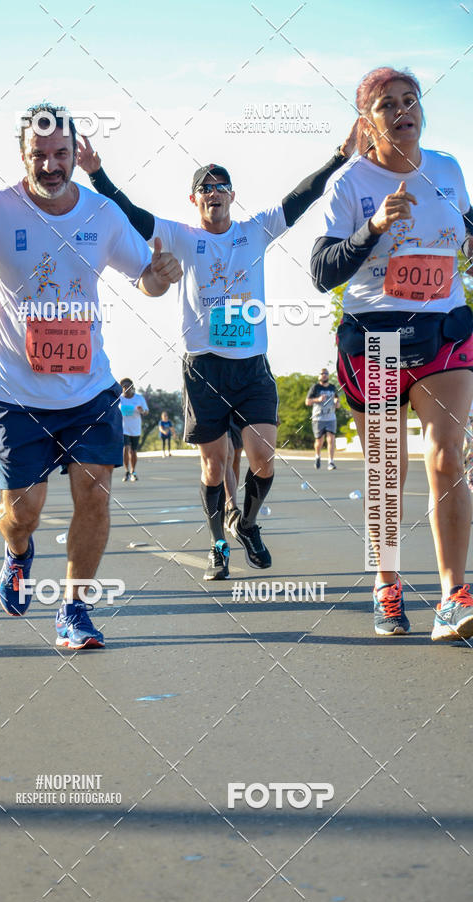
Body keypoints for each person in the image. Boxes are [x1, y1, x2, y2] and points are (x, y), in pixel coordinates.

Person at [0, 103, 181, 649]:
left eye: (60, 155)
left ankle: (74, 609)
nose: (51, 166)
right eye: (39, 155)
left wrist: (161, 276)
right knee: (22, 513)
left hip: (90, 390)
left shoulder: (103, 215)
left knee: (95, 497)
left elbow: (145, 280)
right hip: (18, 395)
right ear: (22, 154)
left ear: (75, 153)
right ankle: (18, 554)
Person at [77, 126, 357, 579]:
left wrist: (340, 156)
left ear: (232, 195)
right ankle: (218, 546)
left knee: (263, 456)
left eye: (220, 186)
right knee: (214, 465)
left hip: (251, 367)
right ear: (194, 200)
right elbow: (130, 214)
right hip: (203, 367)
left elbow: (302, 196)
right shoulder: (182, 235)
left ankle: (245, 522)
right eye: (204, 188)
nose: (213, 192)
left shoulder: (256, 231)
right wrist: (97, 174)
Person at [311, 66, 473, 641]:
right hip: (376, 335)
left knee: (447, 454)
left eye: (411, 100)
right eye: (387, 105)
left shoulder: (449, 169)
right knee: (388, 468)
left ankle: (454, 593)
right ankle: (388, 580)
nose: (403, 111)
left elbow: (468, 228)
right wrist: (375, 225)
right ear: (367, 121)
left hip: (444, 328)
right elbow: (321, 271)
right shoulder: (349, 184)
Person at [305, 368, 340, 469]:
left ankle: (331, 462)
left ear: (328, 375)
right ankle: (317, 456)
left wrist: (336, 402)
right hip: (318, 418)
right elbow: (307, 402)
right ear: (319, 376)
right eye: (322, 374)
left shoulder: (333, 387)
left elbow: (337, 400)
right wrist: (318, 399)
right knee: (319, 441)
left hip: (331, 418)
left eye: (326, 373)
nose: (324, 375)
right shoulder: (315, 387)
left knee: (331, 439)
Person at [120, 378, 148, 481]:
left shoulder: (139, 398)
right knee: (126, 448)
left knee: (133, 451)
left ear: (132, 387)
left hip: (135, 428)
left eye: (128, 387)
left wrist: (142, 411)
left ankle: (133, 471)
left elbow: (146, 412)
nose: (126, 389)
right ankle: (126, 471)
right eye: (124, 387)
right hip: (124, 428)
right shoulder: (119, 399)